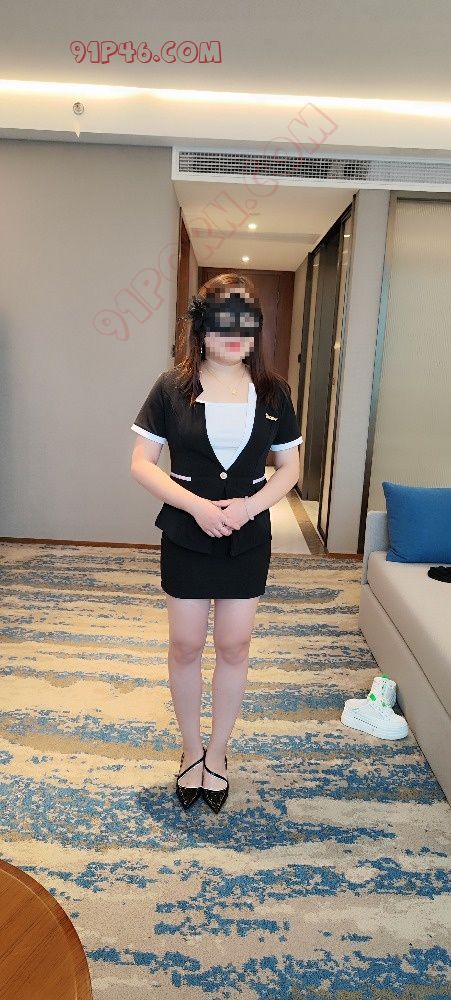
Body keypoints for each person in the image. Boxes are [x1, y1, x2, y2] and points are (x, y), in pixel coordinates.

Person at [130, 272, 303, 813]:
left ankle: (219, 753)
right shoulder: (171, 387)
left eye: (244, 325)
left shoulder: (274, 393)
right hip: (187, 531)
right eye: (222, 324)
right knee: (185, 644)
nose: (233, 337)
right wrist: (197, 507)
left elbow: (289, 467)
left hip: (247, 537)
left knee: (234, 645)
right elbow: (141, 464)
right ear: (201, 328)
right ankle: (190, 750)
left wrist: (249, 507)